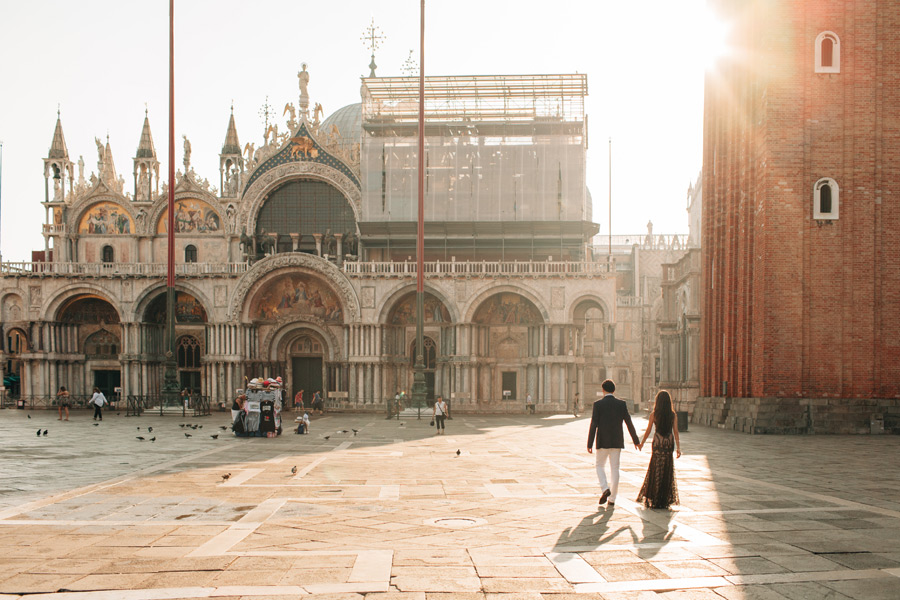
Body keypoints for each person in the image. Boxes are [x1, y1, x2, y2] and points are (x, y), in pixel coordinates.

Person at [587, 379, 640, 508]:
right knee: (615, 469)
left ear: (603, 390)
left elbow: (593, 424)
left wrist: (589, 443)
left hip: (602, 441)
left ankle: (605, 488)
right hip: (616, 441)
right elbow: (629, 422)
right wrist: (636, 440)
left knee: (599, 466)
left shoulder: (598, 404)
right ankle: (612, 499)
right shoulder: (621, 404)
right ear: (614, 390)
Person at [636, 390, 681, 509]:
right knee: (667, 468)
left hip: (657, 442)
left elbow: (648, 430)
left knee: (655, 468)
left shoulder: (654, 414)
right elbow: (675, 432)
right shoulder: (673, 415)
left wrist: (642, 443)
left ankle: (654, 496)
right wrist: (678, 448)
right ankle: (664, 498)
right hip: (668, 443)